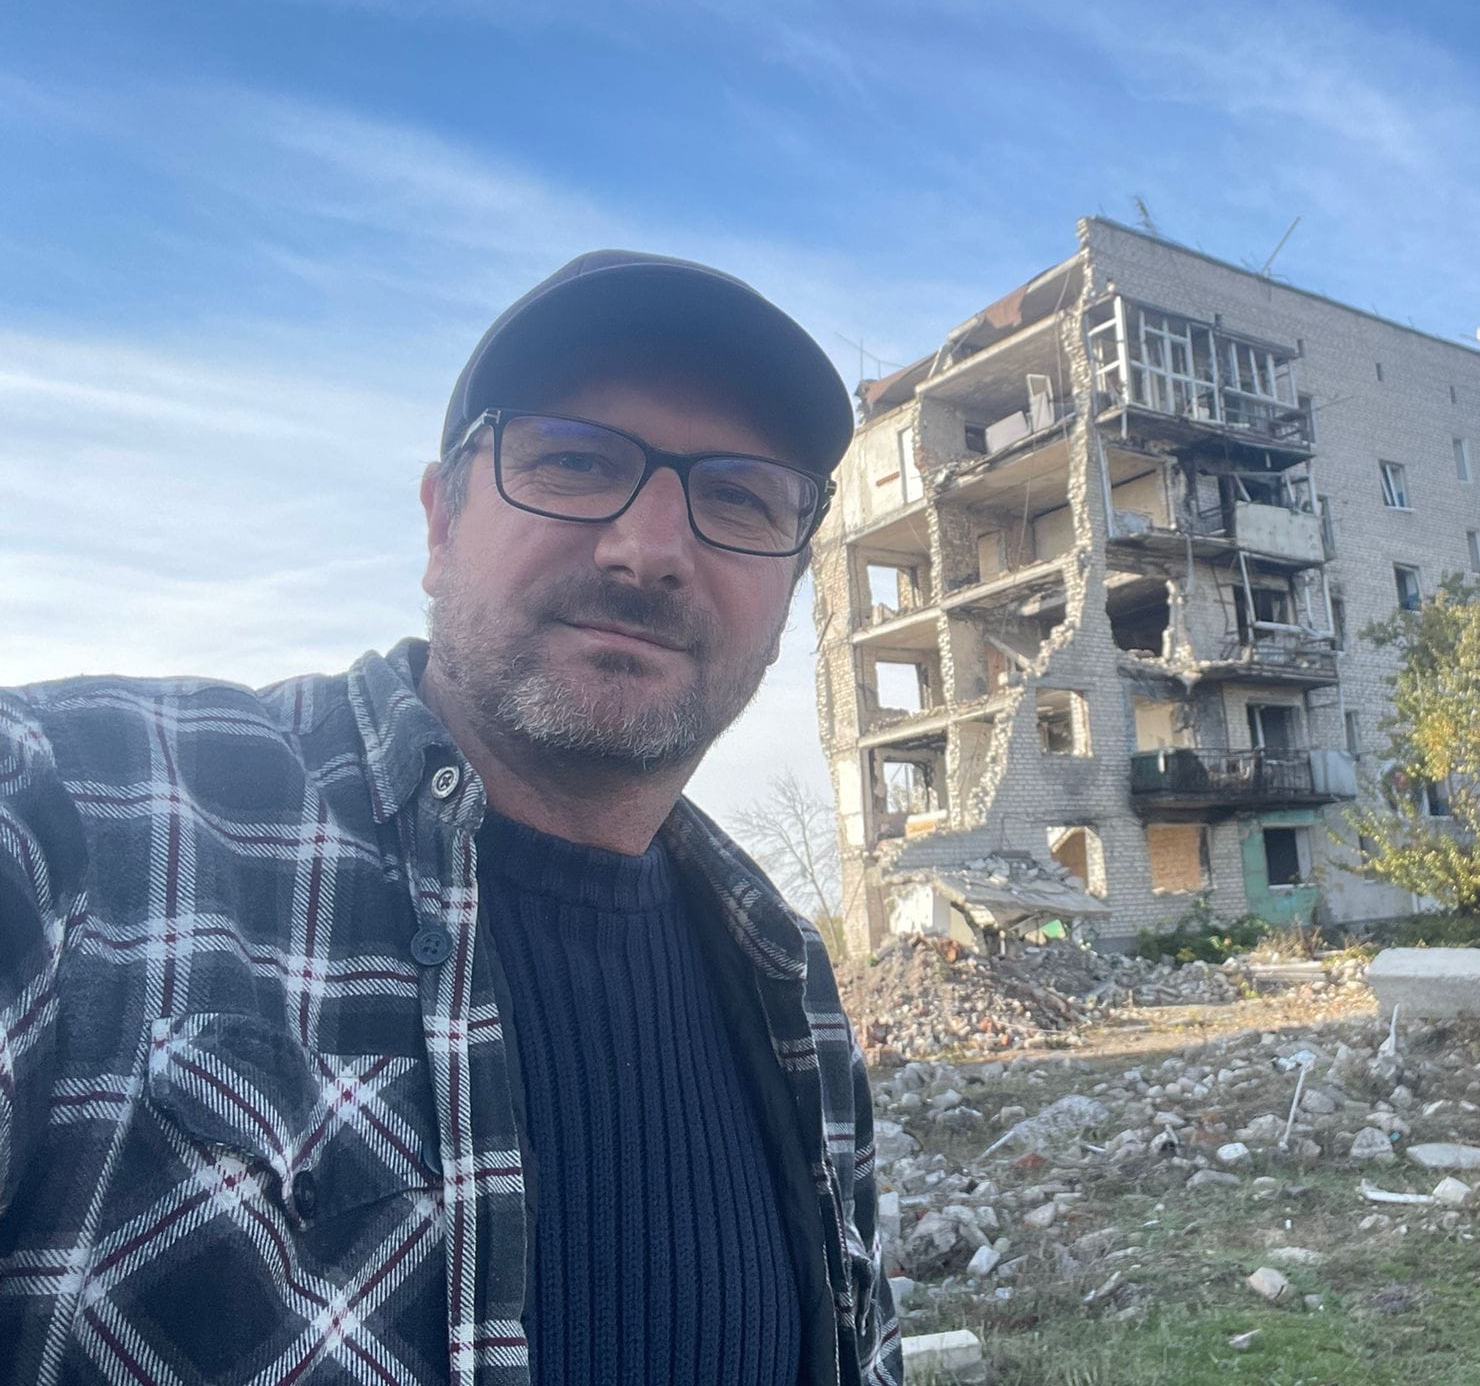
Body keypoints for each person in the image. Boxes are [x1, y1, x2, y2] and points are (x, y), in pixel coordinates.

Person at [0, 252, 901, 1385]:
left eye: (736, 499)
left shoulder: (789, 984)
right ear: (438, 525)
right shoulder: (79, 816)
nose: (651, 551)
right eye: (574, 463)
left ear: (788, 598)